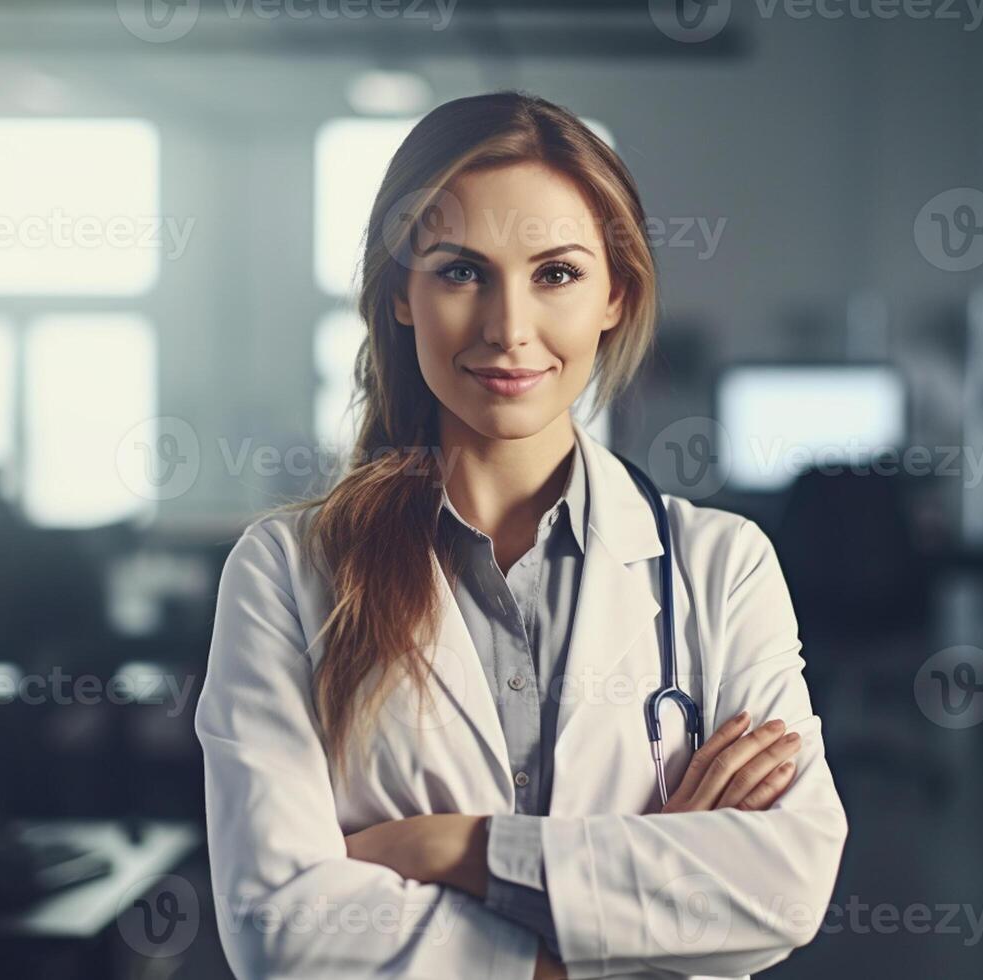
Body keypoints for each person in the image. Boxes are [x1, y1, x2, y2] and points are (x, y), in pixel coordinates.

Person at [195, 90, 848, 980]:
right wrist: (621, 926)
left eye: (557, 274)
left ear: (615, 294)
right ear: (399, 295)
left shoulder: (721, 567)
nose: (510, 330)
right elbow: (281, 931)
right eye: (463, 271)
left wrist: (452, 847)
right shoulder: (284, 574)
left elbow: (783, 888)